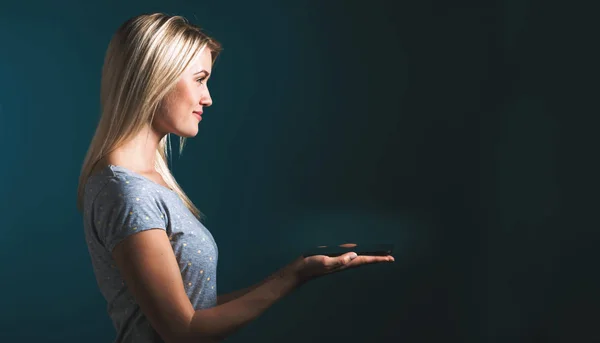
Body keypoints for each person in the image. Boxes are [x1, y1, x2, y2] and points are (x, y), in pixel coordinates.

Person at [76, 12, 394, 343]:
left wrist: (300, 268)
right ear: (156, 77)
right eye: (199, 79)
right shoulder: (127, 192)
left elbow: (195, 311)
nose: (208, 97)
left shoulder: (141, 183)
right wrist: (293, 277)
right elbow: (183, 331)